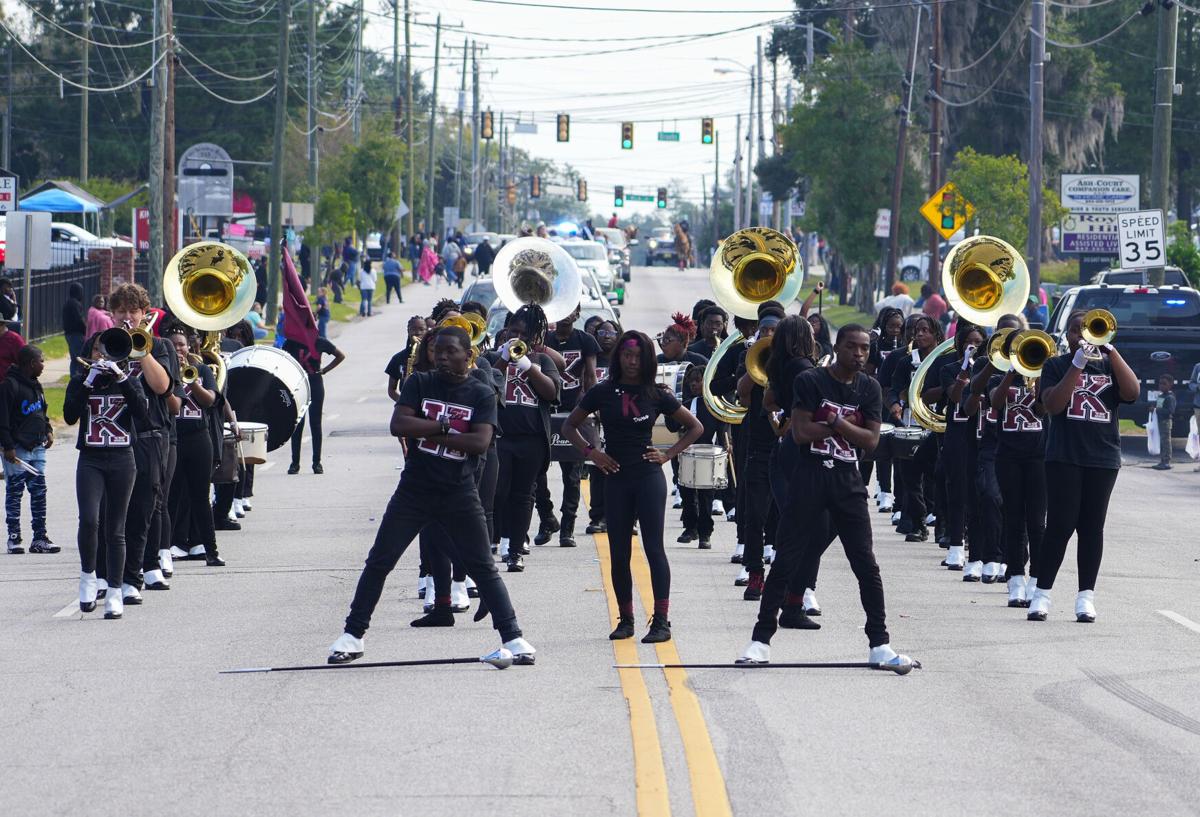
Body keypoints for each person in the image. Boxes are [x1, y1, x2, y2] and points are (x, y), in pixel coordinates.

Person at [327, 325, 535, 664]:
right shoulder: (419, 383)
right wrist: (444, 427)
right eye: (436, 351)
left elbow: (479, 442)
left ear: (468, 356)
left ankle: (513, 638)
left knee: (483, 567)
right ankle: (352, 636)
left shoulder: (481, 393)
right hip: (415, 490)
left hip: (459, 492)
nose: (441, 357)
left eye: (450, 351)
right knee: (380, 560)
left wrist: (429, 430)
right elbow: (399, 425)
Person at [738, 324, 914, 672]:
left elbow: (872, 442)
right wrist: (851, 424)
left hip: (848, 480)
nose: (859, 354)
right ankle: (760, 640)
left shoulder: (870, 388)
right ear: (838, 346)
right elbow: (801, 432)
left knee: (866, 564)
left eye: (865, 349)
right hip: (810, 475)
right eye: (852, 347)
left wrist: (833, 419)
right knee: (786, 557)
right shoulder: (811, 381)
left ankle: (879, 643)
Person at [562, 331, 703, 643]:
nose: (631, 361)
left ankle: (662, 621)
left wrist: (667, 455)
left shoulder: (656, 393)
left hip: (648, 478)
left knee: (654, 549)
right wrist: (592, 453)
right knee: (619, 552)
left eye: (638, 356)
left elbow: (696, 427)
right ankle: (626, 619)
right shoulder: (602, 391)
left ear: (648, 359)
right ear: (618, 357)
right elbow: (568, 425)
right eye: (627, 355)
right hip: (616, 478)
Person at [1030, 311, 1139, 622]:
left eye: (1089, 329)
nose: (1083, 335)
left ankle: (1085, 597)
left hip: (1103, 458)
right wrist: (1076, 364)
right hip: (1064, 456)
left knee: (1092, 528)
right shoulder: (1055, 366)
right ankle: (1042, 594)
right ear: (1067, 336)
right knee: (1060, 526)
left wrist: (1111, 350)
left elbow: (1132, 392)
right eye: (1076, 330)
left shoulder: (1109, 365)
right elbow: (1052, 405)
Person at [101, 283, 180, 604]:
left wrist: (141, 349)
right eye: (121, 311)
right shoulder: (101, 343)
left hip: (150, 436)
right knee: (110, 511)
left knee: (143, 509)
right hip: (113, 436)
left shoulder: (160, 346)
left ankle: (136, 574)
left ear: (145, 314)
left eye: (133, 311)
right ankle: (110, 575)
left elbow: (162, 387)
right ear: (111, 313)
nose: (127, 317)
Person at [64, 343, 148, 618]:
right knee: (89, 519)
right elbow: (69, 415)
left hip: (123, 459)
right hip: (91, 459)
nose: (105, 358)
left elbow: (142, 414)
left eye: (111, 353)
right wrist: (88, 381)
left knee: (116, 528)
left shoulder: (131, 381)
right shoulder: (81, 381)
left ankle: (114, 590)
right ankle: (88, 576)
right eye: (101, 352)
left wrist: (122, 378)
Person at [488, 305, 562, 572]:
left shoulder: (543, 362)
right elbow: (484, 386)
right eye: (512, 331)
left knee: (522, 496)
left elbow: (552, 393)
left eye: (522, 333)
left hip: (531, 439)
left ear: (533, 338)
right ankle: (494, 541)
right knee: (497, 491)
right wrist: (502, 360)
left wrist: (529, 367)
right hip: (499, 437)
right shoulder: (491, 357)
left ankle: (516, 550)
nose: (516, 336)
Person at [534, 304, 599, 548]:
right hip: (545, 411)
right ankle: (547, 519)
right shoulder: (544, 339)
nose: (564, 316)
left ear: (576, 314)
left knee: (572, 475)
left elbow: (590, 375)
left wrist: (587, 402)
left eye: (570, 311)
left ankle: (568, 528)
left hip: (574, 412)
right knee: (537, 473)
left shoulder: (585, 340)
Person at [166, 328, 224, 567]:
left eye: (181, 345)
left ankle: (211, 550)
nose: (178, 349)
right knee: (171, 496)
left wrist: (192, 382)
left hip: (199, 438)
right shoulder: (162, 372)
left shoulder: (201, 370)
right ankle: (168, 547)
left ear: (188, 347)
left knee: (201, 496)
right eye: (174, 346)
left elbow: (210, 400)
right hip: (173, 439)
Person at [0, 346, 55, 554]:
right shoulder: (9, 386)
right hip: (17, 450)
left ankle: (40, 538)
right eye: (41, 360)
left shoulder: (36, 385)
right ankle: (14, 538)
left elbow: (42, 411)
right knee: (15, 491)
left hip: (37, 446)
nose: (43, 364)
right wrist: (7, 446)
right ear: (32, 363)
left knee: (39, 491)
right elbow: (2, 420)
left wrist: (48, 430)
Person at [286, 326, 345, 474]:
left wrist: (325, 370)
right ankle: (295, 463)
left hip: (315, 384)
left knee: (315, 424)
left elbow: (340, 356)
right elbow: (283, 359)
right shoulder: (291, 343)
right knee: (297, 424)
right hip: (298, 386)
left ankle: (317, 462)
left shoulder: (319, 342)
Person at [584, 318, 619, 534]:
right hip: (593, 420)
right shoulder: (591, 359)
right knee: (597, 469)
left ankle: (621, 518)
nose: (606, 337)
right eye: (601, 333)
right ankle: (597, 517)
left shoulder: (621, 361)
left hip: (615, 421)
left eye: (611, 333)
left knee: (618, 470)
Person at [385, 316, 430, 402]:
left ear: (427, 331)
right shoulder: (398, 358)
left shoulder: (433, 356)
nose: (417, 333)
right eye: (413, 329)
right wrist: (403, 403)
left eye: (422, 329)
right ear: (408, 331)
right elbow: (391, 390)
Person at [63, 283, 88, 378]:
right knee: (80, 358)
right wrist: (86, 330)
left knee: (74, 359)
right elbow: (79, 319)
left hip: (69, 334)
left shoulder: (68, 303)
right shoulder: (75, 304)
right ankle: (78, 378)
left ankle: (73, 377)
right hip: (76, 334)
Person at [1152, 374, 1176, 470]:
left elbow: (1170, 411)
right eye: (1160, 383)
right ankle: (1162, 460)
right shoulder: (1161, 396)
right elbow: (1159, 407)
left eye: (1164, 384)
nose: (1161, 386)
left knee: (1166, 442)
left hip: (1166, 422)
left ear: (1170, 385)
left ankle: (1166, 461)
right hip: (1160, 421)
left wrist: (1156, 410)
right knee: (1161, 441)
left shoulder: (1170, 397)